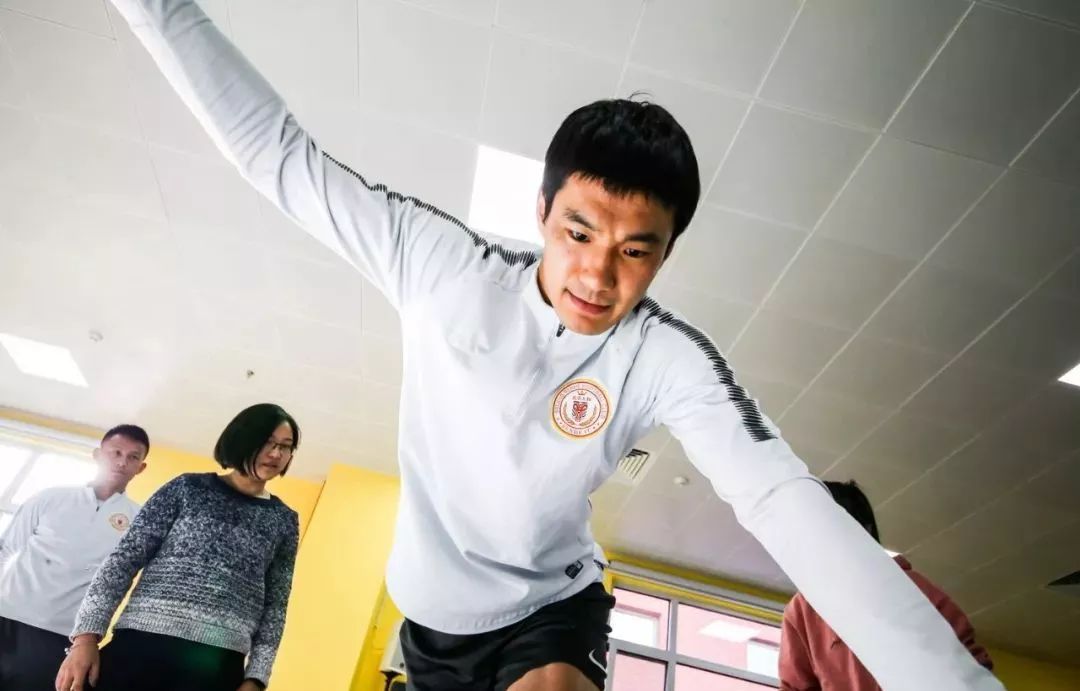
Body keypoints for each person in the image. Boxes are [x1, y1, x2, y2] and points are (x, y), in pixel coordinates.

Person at [98, 2, 1004, 689]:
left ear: (665, 253)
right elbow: (278, 156)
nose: (598, 275)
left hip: (550, 610)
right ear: (541, 212)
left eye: (635, 250)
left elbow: (781, 499)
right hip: (428, 618)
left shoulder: (665, 358)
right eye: (578, 232)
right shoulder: (442, 268)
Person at [55, 403, 301, 691]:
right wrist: (85, 638)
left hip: (217, 666)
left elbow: (275, 607)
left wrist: (256, 679)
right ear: (241, 439)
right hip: (139, 649)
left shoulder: (284, 520)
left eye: (285, 446)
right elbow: (122, 562)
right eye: (268, 442)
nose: (276, 454)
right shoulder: (186, 489)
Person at [779, 481, 994, 690]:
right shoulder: (803, 610)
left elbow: (969, 662)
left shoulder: (911, 588)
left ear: (864, 530)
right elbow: (795, 686)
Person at [0, 424, 149, 691]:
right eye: (115, 452)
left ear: (141, 468)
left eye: (133, 457)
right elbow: (6, 549)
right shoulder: (50, 497)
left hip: (63, 635)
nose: (122, 462)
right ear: (97, 455)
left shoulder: (139, 520)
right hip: (7, 614)